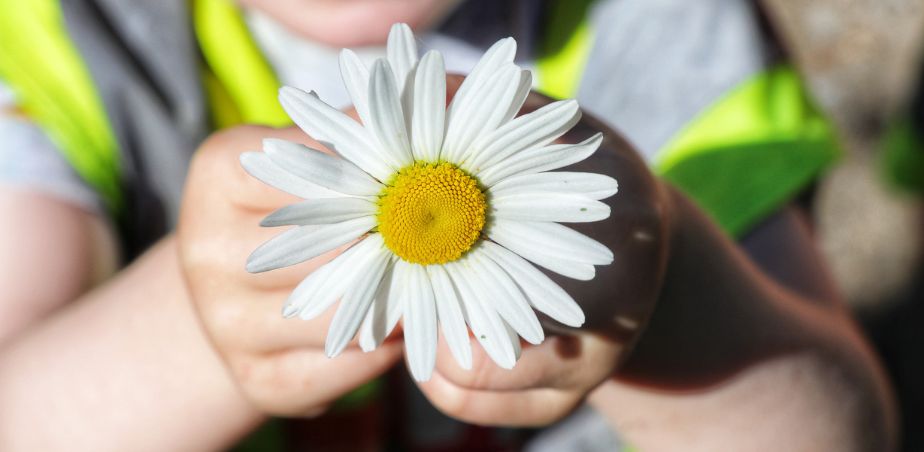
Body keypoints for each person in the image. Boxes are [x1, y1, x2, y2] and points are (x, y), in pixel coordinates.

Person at [0, 0, 898, 450]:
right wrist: (197, 328)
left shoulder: (656, 31)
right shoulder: (61, 51)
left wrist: (663, 280)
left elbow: (835, 429)